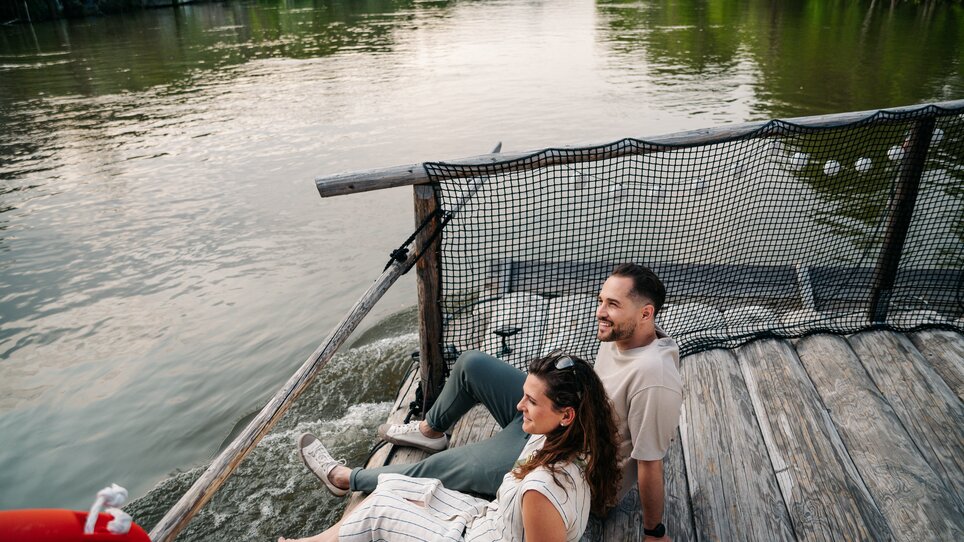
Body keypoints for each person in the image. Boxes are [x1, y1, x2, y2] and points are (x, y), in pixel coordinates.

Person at [297, 263, 683, 541]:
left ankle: (348, 479)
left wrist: (654, 531)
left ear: (645, 313)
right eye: (601, 300)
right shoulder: (624, 335)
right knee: (472, 364)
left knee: (440, 468)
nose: (600, 311)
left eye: (612, 304)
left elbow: (650, 464)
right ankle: (432, 429)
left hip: (573, 456)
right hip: (556, 424)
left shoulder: (655, 380)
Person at [280, 352, 621, 542]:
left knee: (379, 508)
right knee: (395, 486)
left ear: (566, 415)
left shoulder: (542, 490)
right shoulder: (569, 442)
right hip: (487, 521)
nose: (518, 407)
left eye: (531, 401)